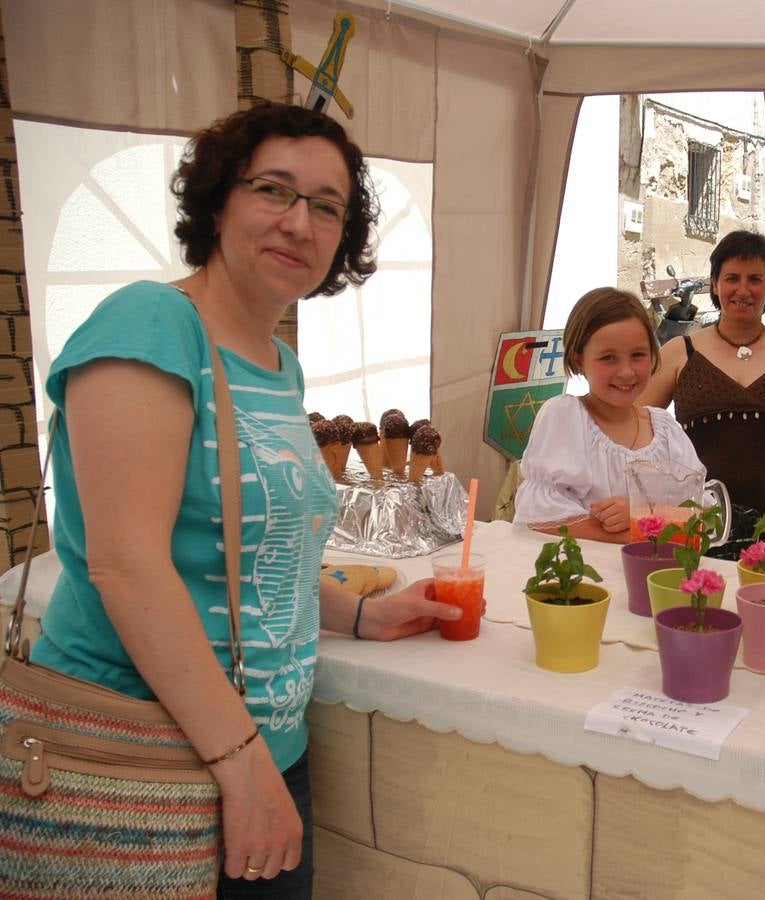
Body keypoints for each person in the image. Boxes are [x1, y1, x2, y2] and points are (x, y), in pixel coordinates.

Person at [27, 102, 458, 897]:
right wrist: (239, 763)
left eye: (327, 207)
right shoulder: (153, 324)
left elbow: (258, 558)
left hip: (262, 751)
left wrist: (361, 614)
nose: (300, 222)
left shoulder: (275, 364)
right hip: (141, 752)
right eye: (274, 191)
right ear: (219, 200)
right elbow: (126, 566)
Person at [638, 230, 765, 546]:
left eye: (755, 279)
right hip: (698, 518)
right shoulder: (680, 353)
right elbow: (641, 420)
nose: (743, 290)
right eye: (732, 278)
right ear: (715, 284)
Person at [514, 288, 705, 543]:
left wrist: (639, 515)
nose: (626, 372)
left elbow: (700, 522)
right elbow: (542, 519)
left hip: (655, 579)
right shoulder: (566, 418)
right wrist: (651, 530)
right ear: (579, 360)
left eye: (638, 355)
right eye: (608, 358)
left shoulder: (666, 431)